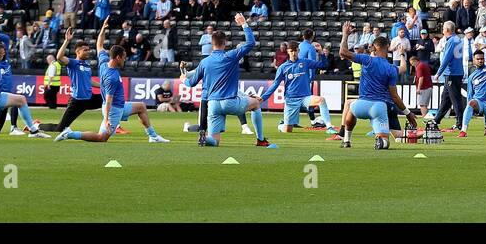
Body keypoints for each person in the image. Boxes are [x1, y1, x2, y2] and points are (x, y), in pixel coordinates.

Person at [53, 26, 168, 144]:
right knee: (101, 138)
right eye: (123, 58)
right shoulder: (112, 78)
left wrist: (102, 29)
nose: (124, 60)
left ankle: (153, 136)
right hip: (114, 110)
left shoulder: (103, 63)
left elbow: (99, 45)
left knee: (141, 107)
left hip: (120, 106)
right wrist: (107, 119)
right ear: (118, 57)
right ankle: (70, 134)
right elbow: (108, 100)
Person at [178, 14, 266, 147]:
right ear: (225, 43)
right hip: (230, 102)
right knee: (255, 104)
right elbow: (251, 43)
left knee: (215, 141)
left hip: (213, 105)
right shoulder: (231, 56)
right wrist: (244, 24)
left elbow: (191, 83)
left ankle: (205, 139)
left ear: (211, 44)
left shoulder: (205, 62)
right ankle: (260, 140)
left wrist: (183, 78)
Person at [337, 21, 412, 150]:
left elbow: (343, 52)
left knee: (350, 107)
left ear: (373, 47)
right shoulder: (391, 68)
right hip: (379, 107)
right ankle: (381, 141)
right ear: (388, 47)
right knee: (385, 142)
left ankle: (346, 139)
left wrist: (345, 35)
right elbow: (394, 95)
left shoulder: (367, 60)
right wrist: (407, 113)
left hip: (362, 105)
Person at [254, 40, 336, 135]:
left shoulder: (305, 62)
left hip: (305, 97)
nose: (293, 53)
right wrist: (263, 98)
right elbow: (275, 84)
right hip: (291, 100)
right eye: (291, 51)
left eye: (295, 51)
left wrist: (321, 52)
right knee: (287, 130)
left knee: (321, 100)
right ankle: (281, 125)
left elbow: (324, 65)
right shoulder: (283, 67)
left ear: (298, 51)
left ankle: (329, 127)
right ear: (288, 51)